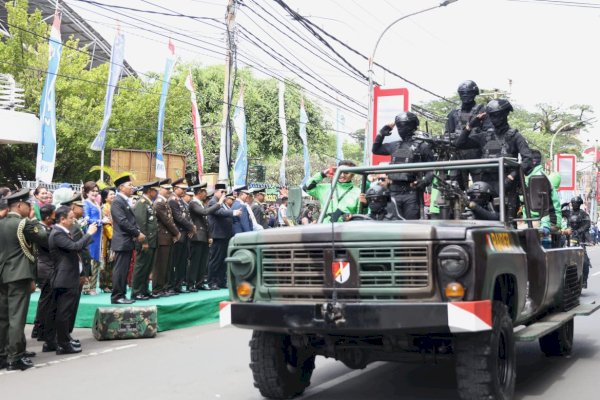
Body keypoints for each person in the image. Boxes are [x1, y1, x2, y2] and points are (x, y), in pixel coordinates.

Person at [457, 99, 533, 220]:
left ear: (505, 114)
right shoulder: (484, 136)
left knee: (507, 223)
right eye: (491, 116)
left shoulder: (515, 137)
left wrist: (511, 176)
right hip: (486, 187)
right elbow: (459, 143)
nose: (494, 119)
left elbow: (528, 160)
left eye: (497, 115)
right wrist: (471, 124)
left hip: (507, 186)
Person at [0, 188, 47, 370]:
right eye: (29, 205)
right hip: (19, 275)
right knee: (16, 318)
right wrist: (35, 220)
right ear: (19, 205)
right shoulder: (24, 224)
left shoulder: (2, 223)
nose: (31, 208)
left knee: (3, 317)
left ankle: (3, 354)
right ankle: (15, 357)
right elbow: (43, 237)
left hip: (3, 274)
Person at [45, 206, 97, 354]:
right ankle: (63, 343)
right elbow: (75, 247)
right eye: (71, 218)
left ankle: (64, 340)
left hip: (69, 277)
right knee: (63, 312)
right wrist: (88, 234)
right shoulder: (57, 234)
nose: (73, 220)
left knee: (65, 312)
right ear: (62, 219)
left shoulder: (63, 232)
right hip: (64, 278)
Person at [373, 113, 434, 219]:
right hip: (393, 191)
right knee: (393, 223)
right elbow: (376, 150)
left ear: (413, 126)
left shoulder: (422, 146)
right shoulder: (395, 145)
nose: (401, 129)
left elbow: (433, 169)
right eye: (399, 126)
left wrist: (424, 182)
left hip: (412, 191)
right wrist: (381, 133)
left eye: (405, 125)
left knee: (411, 226)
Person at [444, 80, 493, 187]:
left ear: (474, 93)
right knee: (453, 190)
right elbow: (447, 135)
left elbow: (489, 134)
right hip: (457, 155)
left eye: (468, 93)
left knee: (481, 188)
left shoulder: (483, 111)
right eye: (462, 93)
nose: (465, 96)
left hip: (477, 156)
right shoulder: (453, 113)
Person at [110, 174, 144, 304]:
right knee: (120, 270)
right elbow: (123, 222)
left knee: (124, 270)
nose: (132, 187)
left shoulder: (124, 201)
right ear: (121, 187)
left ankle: (121, 295)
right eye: (130, 185)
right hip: (122, 241)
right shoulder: (118, 202)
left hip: (127, 241)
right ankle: (117, 296)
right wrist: (137, 233)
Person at [188, 183, 221, 291]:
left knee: (203, 262)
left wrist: (209, 236)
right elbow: (204, 213)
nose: (206, 194)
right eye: (204, 192)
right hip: (197, 236)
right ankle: (191, 284)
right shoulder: (193, 203)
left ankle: (199, 283)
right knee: (195, 262)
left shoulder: (200, 203)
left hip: (203, 236)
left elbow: (206, 222)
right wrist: (218, 204)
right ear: (199, 193)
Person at [207, 185, 241, 290]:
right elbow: (219, 212)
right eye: (222, 192)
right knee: (216, 260)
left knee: (223, 260)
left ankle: (221, 281)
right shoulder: (213, 202)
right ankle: (212, 282)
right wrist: (234, 212)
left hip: (225, 235)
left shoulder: (224, 203)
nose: (224, 194)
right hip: (218, 235)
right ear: (216, 192)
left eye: (225, 192)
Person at [31, 204, 56, 342]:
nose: (56, 218)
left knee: (46, 299)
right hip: (46, 267)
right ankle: (40, 330)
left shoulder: (46, 228)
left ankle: (40, 329)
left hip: (47, 266)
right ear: (47, 217)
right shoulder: (42, 231)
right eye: (54, 215)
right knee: (46, 301)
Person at [131, 181, 159, 300]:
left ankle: (144, 289)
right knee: (141, 266)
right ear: (149, 191)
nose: (156, 192)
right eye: (155, 190)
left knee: (148, 267)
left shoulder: (149, 203)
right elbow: (141, 224)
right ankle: (136, 291)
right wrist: (144, 242)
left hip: (152, 241)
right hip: (145, 242)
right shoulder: (141, 203)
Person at [152, 180, 180, 297]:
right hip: (162, 237)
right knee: (160, 265)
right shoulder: (159, 202)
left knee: (167, 265)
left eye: (170, 189)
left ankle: (163, 287)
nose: (169, 191)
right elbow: (166, 221)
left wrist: (174, 234)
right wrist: (176, 232)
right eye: (166, 189)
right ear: (160, 189)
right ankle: (157, 289)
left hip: (167, 237)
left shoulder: (165, 202)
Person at [168, 178, 196, 293]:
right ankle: (172, 285)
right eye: (182, 189)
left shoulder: (180, 201)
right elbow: (178, 217)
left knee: (182, 262)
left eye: (185, 189)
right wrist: (191, 227)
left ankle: (178, 285)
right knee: (175, 262)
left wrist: (190, 227)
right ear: (175, 188)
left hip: (185, 235)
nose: (184, 191)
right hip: (178, 235)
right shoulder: (172, 200)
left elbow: (187, 217)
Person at [565, 196, 592, 288]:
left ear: (579, 204)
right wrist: (562, 205)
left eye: (576, 203)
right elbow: (557, 214)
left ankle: (584, 280)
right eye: (573, 203)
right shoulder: (568, 213)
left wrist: (579, 231)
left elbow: (587, 225)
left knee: (585, 262)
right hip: (568, 238)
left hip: (580, 239)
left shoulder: (584, 214)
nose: (574, 204)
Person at [82, 181, 103, 295]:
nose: (95, 193)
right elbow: (87, 219)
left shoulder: (96, 203)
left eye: (96, 191)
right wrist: (101, 221)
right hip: (91, 234)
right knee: (90, 259)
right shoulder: (86, 204)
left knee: (96, 259)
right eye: (92, 191)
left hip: (98, 234)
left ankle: (93, 286)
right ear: (86, 192)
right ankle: (86, 287)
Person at [99, 187, 115, 293]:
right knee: (108, 261)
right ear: (105, 198)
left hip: (115, 236)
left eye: (114, 194)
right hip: (108, 239)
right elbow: (107, 225)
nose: (114, 196)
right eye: (111, 194)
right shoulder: (105, 207)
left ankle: (111, 283)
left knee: (113, 261)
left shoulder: (114, 206)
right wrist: (113, 236)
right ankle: (105, 284)